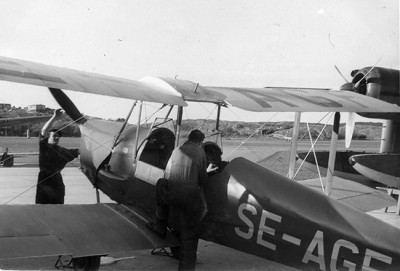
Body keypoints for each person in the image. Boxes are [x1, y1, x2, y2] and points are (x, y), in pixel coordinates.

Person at [147, 129, 215, 271]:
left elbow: (167, 173)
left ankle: (160, 225)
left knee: (161, 183)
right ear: (200, 142)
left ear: (189, 138)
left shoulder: (177, 150)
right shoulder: (200, 152)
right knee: (189, 237)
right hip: (189, 198)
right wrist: (207, 171)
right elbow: (203, 180)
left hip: (172, 195)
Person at [35, 109, 79, 204]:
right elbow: (44, 130)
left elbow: (79, 151)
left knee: (58, 209)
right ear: (48, 138)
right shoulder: (44, 147)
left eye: (58, 136)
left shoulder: (63, 151)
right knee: (42, 209)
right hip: (44, 183)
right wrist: (54, 117)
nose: (57, 137)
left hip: (57, 183)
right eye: (54, 135)